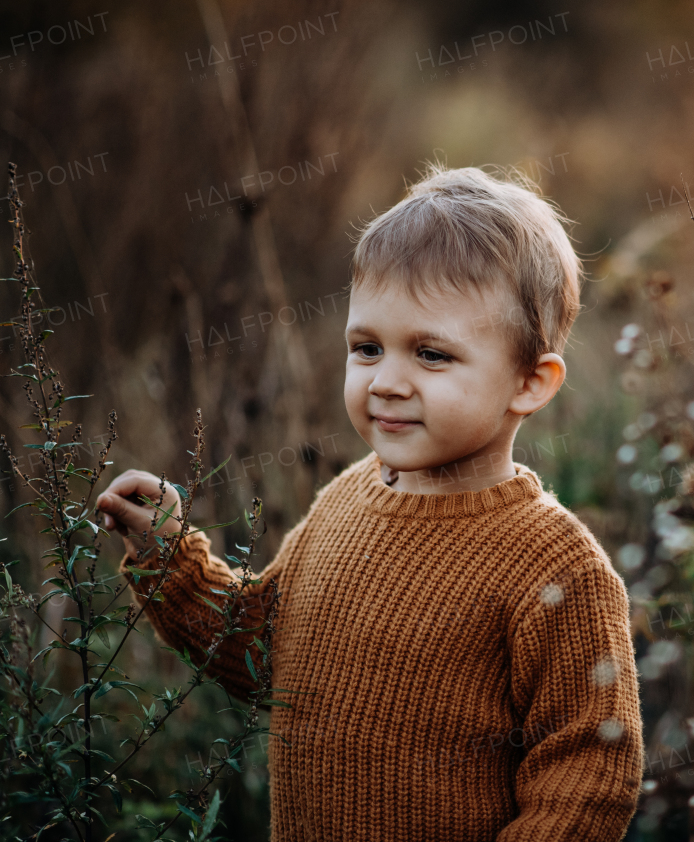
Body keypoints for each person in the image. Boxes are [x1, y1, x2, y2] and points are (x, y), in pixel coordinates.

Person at [95, 164, 643, 841]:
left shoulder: (556, 567)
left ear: (530, 381)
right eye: (367, 347)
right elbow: (264, 651)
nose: (386, 381)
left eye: (431, 354)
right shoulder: (344, 501)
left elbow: (590, 771)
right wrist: (170, 560)